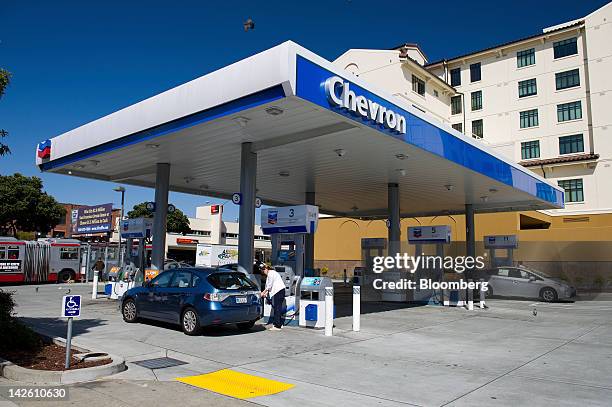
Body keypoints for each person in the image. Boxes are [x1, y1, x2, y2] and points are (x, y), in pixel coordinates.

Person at [260, 264, 286, 331]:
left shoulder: (271, 274)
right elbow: (269, 286)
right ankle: (279, 323)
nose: (263, 271)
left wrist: (263, 292)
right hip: (279, 291)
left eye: (264, 269)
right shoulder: (272, 273)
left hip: (278, 291)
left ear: (267, 268)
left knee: (277, 308)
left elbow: (269, 285)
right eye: (262, 270)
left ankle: (277, 326)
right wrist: (266, 293)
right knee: (277, 308)